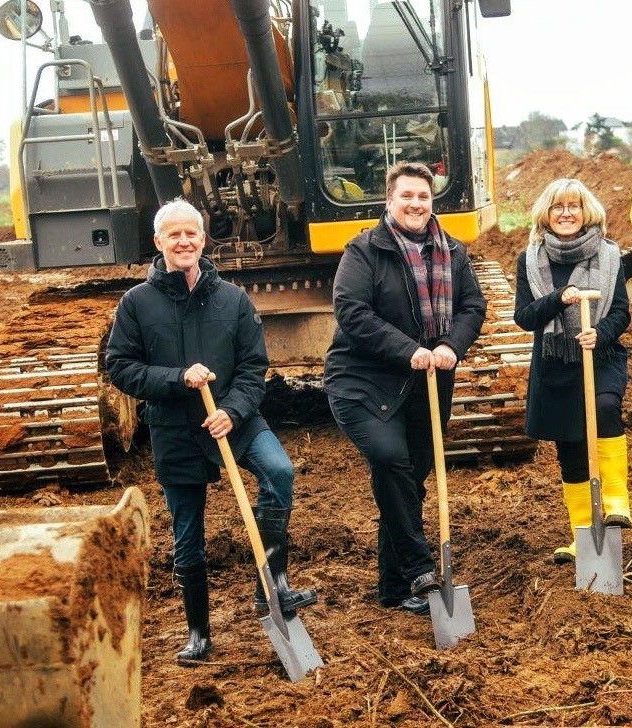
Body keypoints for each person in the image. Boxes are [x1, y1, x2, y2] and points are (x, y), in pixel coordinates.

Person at [106, 198, 316, 664]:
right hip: (175, 429)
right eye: (174, 235)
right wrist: (175, 377)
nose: (184, 241)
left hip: (232, 420)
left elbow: (252, 366)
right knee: (188, 535)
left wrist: (234, 412)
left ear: (203, 239)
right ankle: (199, 633)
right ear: (159, 242)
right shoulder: (137, 304)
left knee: (279, 472)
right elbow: (120, 367)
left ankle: (273, 585)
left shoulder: (233, 299)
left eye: (192, 234)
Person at [325, 161, 487, 615]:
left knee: (408, 480)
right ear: (389, 201)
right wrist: (407, 349)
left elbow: (473, 304)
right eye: (407, 196)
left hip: (429, 381)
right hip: (362, 380)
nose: (416, 204)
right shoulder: (364, 251)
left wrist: (453, 344)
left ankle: (394, 589)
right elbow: (352, 311)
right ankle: (419, 568)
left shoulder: (452, 251)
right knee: (390, 460)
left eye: (423, 197)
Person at [513, 178, 632, 565]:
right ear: (546, 215)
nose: (566, 213)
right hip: (554, 363)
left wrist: (600, 334)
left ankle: (616, 502)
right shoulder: (530, 259)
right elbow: (525, 317)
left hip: (601, 355)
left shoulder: (611, 255)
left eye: (573, 206)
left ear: (586, 212)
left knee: (605, 406)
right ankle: (583, 535)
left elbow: (620, 312)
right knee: (571, 449)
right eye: (557, 207)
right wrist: (555, 299)